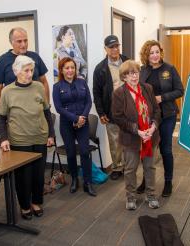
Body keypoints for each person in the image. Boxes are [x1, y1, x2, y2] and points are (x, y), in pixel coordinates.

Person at [0, 55, 55, 220]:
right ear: (16, 71)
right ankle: (24, 206)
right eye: (26, 70)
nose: (30, 74)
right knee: (23, 177)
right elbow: (1, 117)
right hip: (19, 140)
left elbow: (46, 111)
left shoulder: (38, 87)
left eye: (31, 70)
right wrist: (4, 138)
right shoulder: (7, 91)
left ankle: (36, 202)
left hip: (39, 137)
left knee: (38, 175)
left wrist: (51, 134)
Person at [111, 60, 161, 210]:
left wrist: (153, 127)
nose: (134, 76)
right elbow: (118, 118)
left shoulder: (147, 88)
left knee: (150, 167)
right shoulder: (119, 93)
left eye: (136, 72)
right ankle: (131, 197)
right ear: (124, 77)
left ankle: (151, 195)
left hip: (150, 136)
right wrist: (137, 130)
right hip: (131, 138)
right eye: (130, 74)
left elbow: (157, 111)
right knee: (130, 169)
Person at [138, 40, 184, 197]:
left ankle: (168, 182)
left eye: (157, 52)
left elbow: (180, 90)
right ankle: (146, 180)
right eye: (151, 53)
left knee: (165, 149)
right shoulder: (142, 71)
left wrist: (162, 98)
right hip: (148, 117)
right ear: (146, 55)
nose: (155, 55)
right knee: (147, 150)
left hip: (167, 115)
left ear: (161, 53)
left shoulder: (169, 69)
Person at [53, 57, 96, 197]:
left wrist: (82, 118)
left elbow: (89, 102)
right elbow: (59, 108)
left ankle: (87, 182)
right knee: (70, 153)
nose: (70, 70)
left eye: (72, 67)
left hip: (83, 123)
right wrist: (75, 118)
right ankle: (74, 179)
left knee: (84, 152)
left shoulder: (82, 82)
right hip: (67, 124)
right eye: (67, 68)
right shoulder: (57, 87)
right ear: (62, 70)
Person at [92, 35, 129, 180]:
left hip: (129, 109)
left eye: (117, 46)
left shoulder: (128, 61)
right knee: (115, 142)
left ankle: (129, 166)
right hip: (112, 110)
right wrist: (101, 113)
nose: (115, 49)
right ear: (105, 49)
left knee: (130, 139)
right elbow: (96, 93)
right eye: (111, 47)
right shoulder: (100, 68)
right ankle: (117, 167)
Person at [0, 27, 50, 108]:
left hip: (36, 107)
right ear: (11, 42)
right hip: (14, 110)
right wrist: (1, 114)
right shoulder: (2, 60)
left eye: (25, 40)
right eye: (19, 41)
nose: (23, 44)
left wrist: (47, 106)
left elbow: (44, 82)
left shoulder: (35, 57)